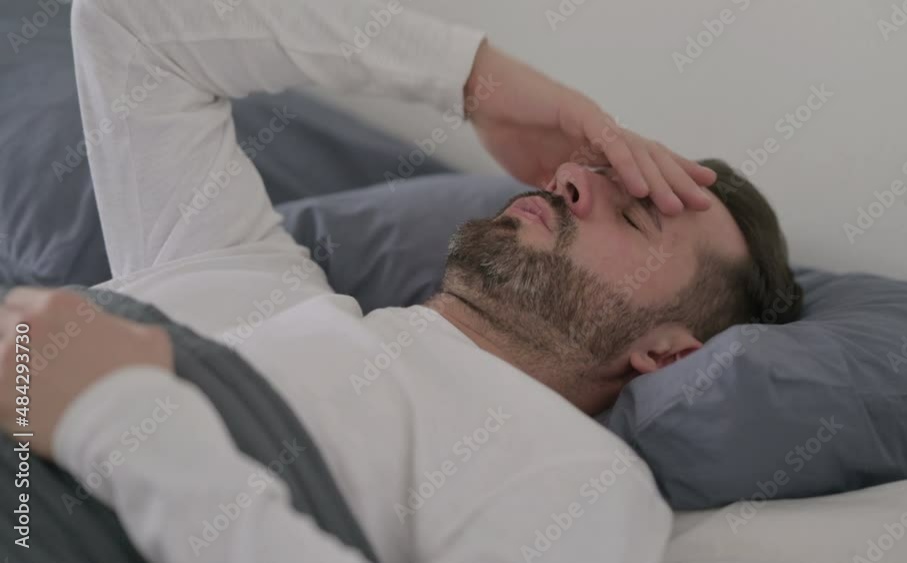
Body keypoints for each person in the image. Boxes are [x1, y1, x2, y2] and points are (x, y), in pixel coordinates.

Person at [0, 0, 799, 561]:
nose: (570, 179)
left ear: (666, 353)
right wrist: (473, 80)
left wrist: (118, 420)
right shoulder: (240, 265)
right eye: (588, 168)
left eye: (631, 218)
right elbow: (131, 22)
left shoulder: (578, 477)